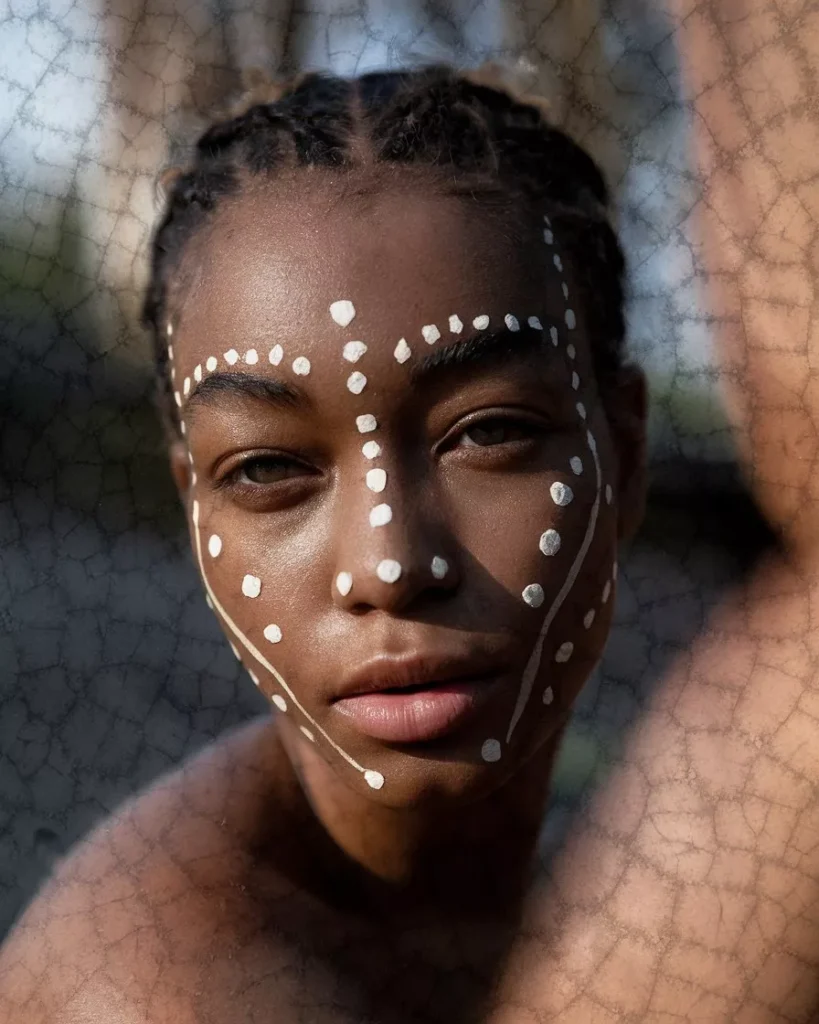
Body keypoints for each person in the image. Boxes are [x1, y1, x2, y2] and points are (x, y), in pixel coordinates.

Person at [2, 41, 818, 1021]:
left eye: (488, 434)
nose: (390, 563)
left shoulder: (615, 845)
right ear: (192, 508)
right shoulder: (159, 985)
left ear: (625, 452)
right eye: (267, 469)